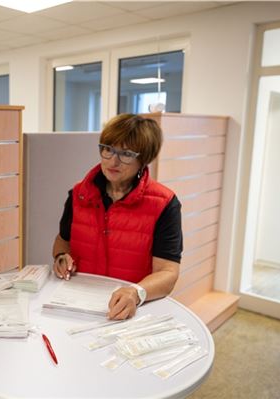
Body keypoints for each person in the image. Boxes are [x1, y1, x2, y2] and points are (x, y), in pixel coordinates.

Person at [52, 113, 182, 321]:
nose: (114, 160)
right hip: (77, 305)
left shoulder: (164, 203)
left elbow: (168, 273)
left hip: (131, 312)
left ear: (144, 159)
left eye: (126, 154)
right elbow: (62, 242)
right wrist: (60, 258)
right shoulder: (78, 195)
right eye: (108, 149)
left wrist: (135, 292)